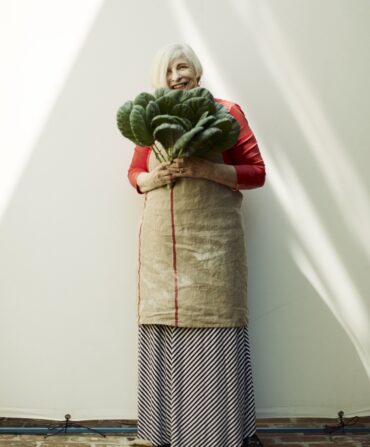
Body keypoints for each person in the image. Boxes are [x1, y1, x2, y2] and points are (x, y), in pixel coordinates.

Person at [127, 43, 266, 447]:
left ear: (197, 70)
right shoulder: (150, 118)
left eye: (182, 67)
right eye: (168, 71)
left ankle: (216, 433)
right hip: (162, 243)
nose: (176, 77)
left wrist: (207, 168)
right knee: (163, 322)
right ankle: (164, 432)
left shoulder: (227, 112)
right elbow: (135, 172)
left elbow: (256, 172)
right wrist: (155, 178)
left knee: (213, 320)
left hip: (213, 242)